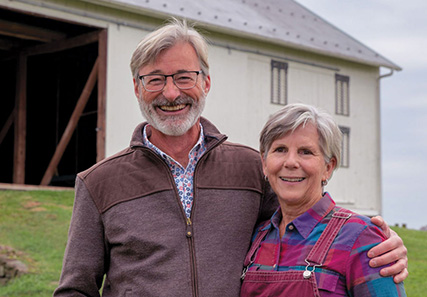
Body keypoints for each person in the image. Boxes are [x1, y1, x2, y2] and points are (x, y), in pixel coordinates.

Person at [54, 19, 407, 297]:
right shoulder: (98, 183)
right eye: (155, 79)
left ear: (206, 83)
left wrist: (380, 246)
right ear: (137, 88)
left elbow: (303, 223)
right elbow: (74, 290)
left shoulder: (249, 168)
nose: (171, 92)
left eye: (183, 77)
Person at [240, 103, 406, 296]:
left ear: (328, 167)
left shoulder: (360, 238)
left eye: (306, 152)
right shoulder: (255, 238)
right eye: (280, 149)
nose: (291, 162)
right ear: (264, 163)